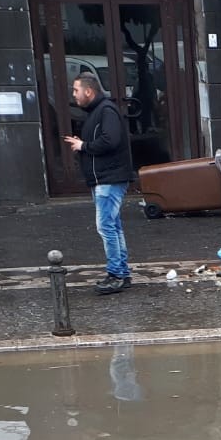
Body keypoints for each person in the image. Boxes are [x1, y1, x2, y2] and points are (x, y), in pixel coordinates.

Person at [64, 73, 135, 295]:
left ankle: (116, 274)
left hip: (109, 178)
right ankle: (120, 273)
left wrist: (83, 145)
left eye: (76, 90)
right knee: (113, 226)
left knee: (105, 226)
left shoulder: (106, 110)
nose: (73, 94)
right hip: (104, 178)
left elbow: (110, 140)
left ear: (88, 91)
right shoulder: (98, 111)